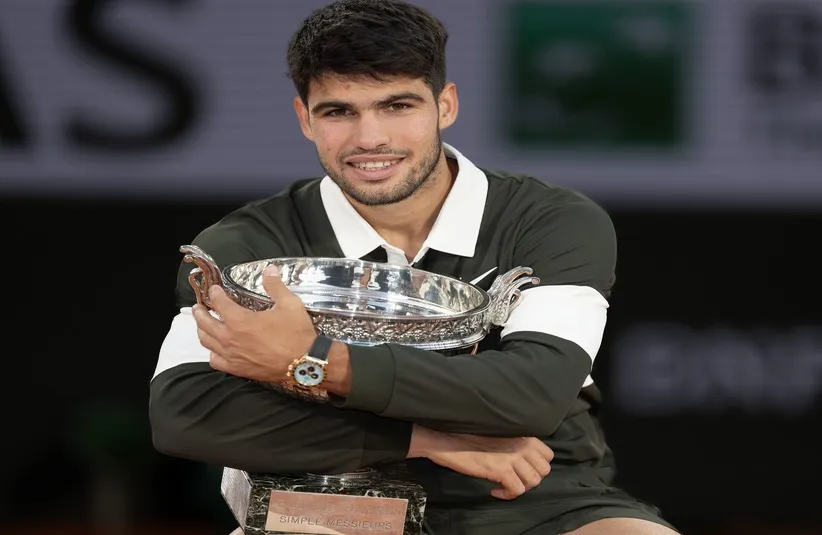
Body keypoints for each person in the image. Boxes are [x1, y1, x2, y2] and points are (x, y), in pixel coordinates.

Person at [149, 1, 679, 533]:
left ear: (445, 105)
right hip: (326, 505)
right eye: (339, 111)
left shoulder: (549, 222)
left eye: (398, 105)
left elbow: (533, 394)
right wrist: (431, 439)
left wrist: (310, 359)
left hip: (535, 503)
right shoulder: (247, 244)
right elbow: (186, 414)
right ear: (304, 118)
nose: (371, 138)